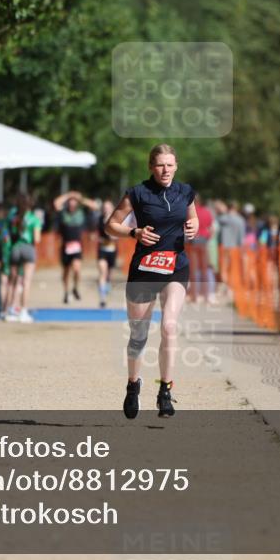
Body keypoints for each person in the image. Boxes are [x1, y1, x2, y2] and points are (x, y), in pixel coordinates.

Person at [105, 144, 198, 419]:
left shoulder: (186, 192)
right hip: (144, 269)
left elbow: (193, 219)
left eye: (170, 164)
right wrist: (134, 232)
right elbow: (111, 225)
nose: (165, 170)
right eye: (160, 165)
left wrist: (195, 227)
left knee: (169, 326)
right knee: (138, 335)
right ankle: (133, 385)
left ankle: (165, 391)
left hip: (175, 267)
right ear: (151, 167)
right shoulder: (137, 193)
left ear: (176, 166)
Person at [53, 190, 99, 304]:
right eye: (70, 202)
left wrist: (80, 198)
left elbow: (95, 206)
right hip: (65, 246)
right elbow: (56, 203)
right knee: (66, 271)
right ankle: (66, 292)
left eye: (74, 202)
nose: (72, 204)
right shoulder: (63, 213)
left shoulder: (81, 213)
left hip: (77, 246)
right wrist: (68, 195)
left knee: (77, 270)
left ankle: (75, 288)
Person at [3, 193, 41, 323]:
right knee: (26, 282)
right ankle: (23, 311)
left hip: (15, 248)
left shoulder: (13, 217)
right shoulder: (34, 219)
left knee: (13, 281)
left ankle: (10, 310)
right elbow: (36, 239)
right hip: (28, 248)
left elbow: (8, 233)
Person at [97, 199, 118, 308]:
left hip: (113, 250)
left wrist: (113, 236)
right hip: (102, 250)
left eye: (108, 207)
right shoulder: (100, 219)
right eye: (104, 207)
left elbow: (118, 235)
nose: (106, 209)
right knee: (102, 273)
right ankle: (102, 298)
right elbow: (97, 235)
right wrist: (100, 239)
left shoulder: (116, 220)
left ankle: (107, 286)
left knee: (109, 275)